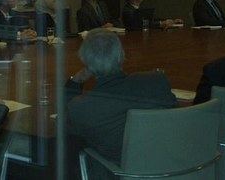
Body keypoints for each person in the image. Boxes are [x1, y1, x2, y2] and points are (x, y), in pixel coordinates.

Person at [66, 29, 177, 171]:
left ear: (86, 62)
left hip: (122, 173)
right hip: (174, 167)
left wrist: (75, 81)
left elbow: (63, 121)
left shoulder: (81, 107)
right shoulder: (157, 81)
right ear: (121, 55)